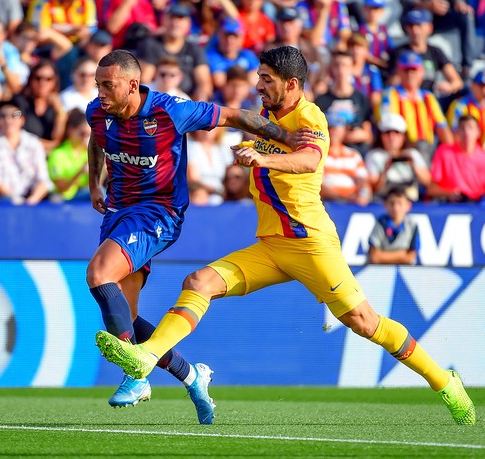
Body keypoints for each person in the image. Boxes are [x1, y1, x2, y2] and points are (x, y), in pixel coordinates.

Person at [94, 46, 476, 427]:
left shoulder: (311, 116)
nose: (258, 85)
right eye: (259, 77)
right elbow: (253, 130)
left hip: (309, 243)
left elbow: (309, 159)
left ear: (291, 84)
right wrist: (251, 150)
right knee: (199, 281)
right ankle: (145, 359)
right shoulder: (268, 116)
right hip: (272, 245)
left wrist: (264, 159)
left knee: (364, 321)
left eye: (266, 79)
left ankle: (445, 382)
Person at [86, 49, 318, 424]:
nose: (101, 93)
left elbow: (232, 115)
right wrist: (94, 182)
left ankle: (136, 375)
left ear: (132, 84)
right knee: (124, 317)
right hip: (117, 213)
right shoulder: (98, 112)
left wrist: (288, 136)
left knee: (99, 276)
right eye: (98, 85)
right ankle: (193, 377)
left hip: (158, 212)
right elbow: (97, 139)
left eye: (108, 86)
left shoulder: (169, 111)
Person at [0, 99, 52, 205]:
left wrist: (31, 201)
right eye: (2, 116)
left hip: (31, 200)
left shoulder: (34, 143)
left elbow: (43, 179)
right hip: (3, 201)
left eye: (15, 115)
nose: (8, 120)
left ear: (22, 120)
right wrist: (17, 202)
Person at [427, 114, 485, 203]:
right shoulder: (444, 152)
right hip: (449, 204)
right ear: (457, 132)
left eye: (470, 128)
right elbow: (431, 189)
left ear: (478, 132)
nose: (466, 132)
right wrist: (448, 193)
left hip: (476, 205)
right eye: (462, 128)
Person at [365, 113, 430, 202]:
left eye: (396, 133)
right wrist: (385, 170)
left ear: (403, 136)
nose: (392, 138)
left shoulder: (412, 154)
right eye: (388, 133)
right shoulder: (374, 156)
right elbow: (373, 188)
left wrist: (413, 166)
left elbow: (427, 182)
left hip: (409, 200)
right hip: (383, 200)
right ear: (381, 136)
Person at [446, 70, 485, 148]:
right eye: (482, 85)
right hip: (462, 150)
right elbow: (453, 137)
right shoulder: (461, 105)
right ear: (473, 86)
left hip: (479, 151)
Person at [368, 186, 419, 265]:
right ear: (385, 205)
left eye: (400, 203)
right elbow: (374, 257)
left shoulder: (412, 225)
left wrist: (383, 255)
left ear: (408, 205)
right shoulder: (381, 223)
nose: (396, 208)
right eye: (392, 203)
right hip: (380, 273)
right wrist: (401, 254)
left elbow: (410, 257)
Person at [47, 108, 91, 201]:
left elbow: (97, 184)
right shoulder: (58, 154)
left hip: (82, 194)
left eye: (89, 134)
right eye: (82, 133)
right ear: (71, 130)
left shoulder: (89, 152)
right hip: (63, 197)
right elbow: (62, 188)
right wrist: (80, 172)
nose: (86, 138)